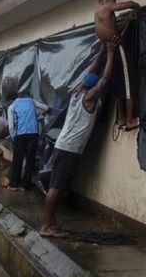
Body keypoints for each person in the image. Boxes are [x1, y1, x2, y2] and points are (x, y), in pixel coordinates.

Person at [40, 37, 118, 237]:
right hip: (69, 148)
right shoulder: (89, 99)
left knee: (57, 186)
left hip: (64, 145)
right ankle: (46, 226)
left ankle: (52, 223)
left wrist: (100, 52)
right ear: (92, 88)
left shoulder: (76, 94)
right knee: (55, 188)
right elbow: (105, 78)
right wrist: (110, 52)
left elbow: (91, 73)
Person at [94, 0, 140, 131]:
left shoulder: (98, 15)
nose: (115, 3)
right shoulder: (106, 7)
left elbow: (114, 28)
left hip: (110, 52)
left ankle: (121, 119)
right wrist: (135, 5)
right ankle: (131, 119)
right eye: (114, 0)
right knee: (128, 81)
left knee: (117, 83)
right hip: (117, 48)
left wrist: (127, 19)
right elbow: (127, 5)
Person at [7, 92, 50, 191]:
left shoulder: (12, 106)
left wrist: (13, 137)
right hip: (33, 133)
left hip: (20, 135)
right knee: (30, 159)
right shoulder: (31, 101)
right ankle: (25, 185)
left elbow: (11, 126)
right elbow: (46, 108)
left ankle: (14, 184)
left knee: (17, 160)